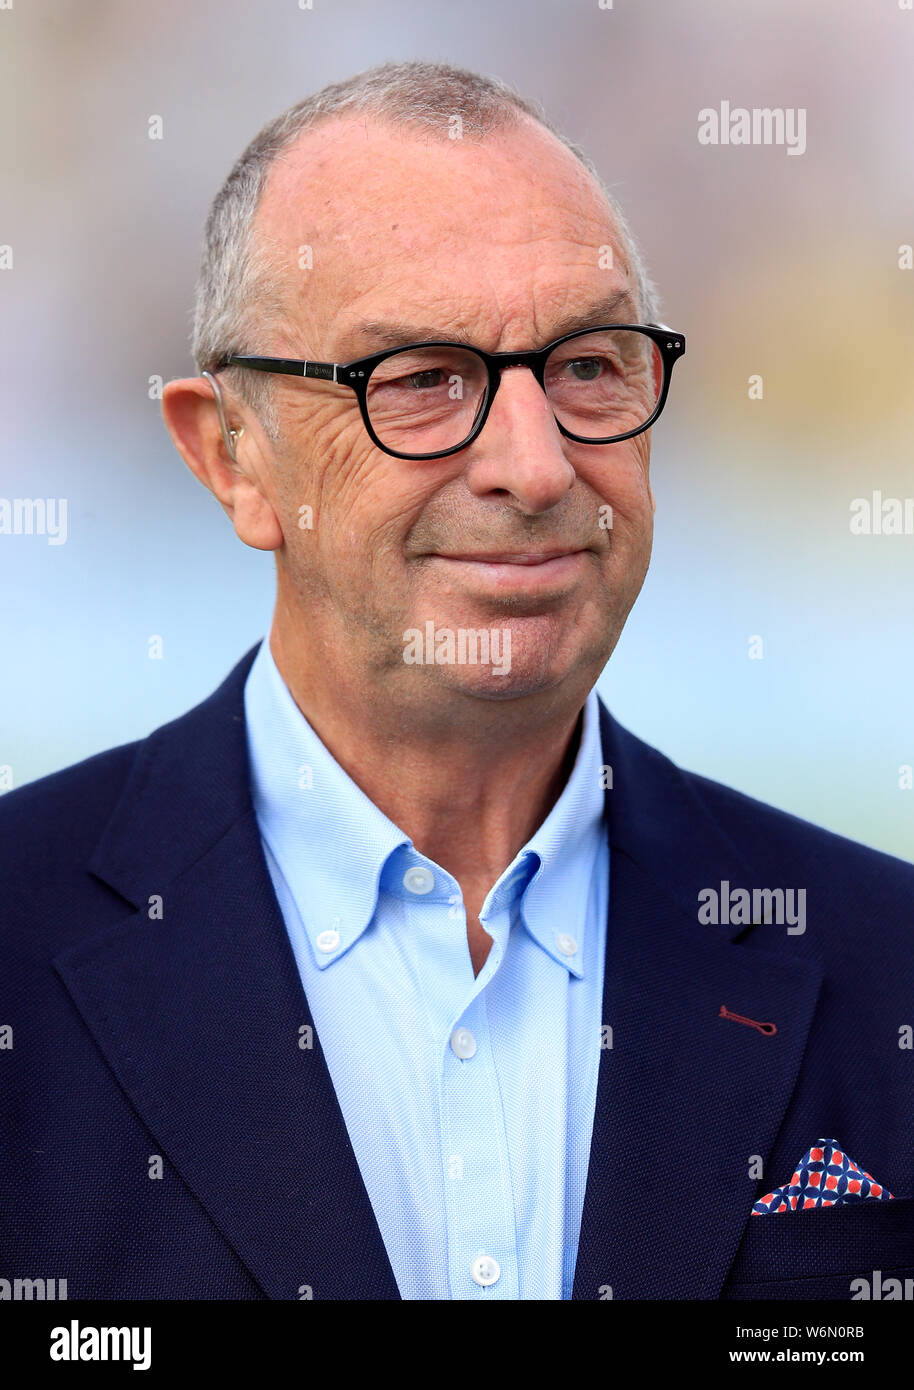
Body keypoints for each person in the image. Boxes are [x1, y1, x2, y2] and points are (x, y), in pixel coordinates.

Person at [2, 61, 912, 1302]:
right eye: (423, 380)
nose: (535, 466)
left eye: (590, 364)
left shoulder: (880, 957)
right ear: (232, 456)